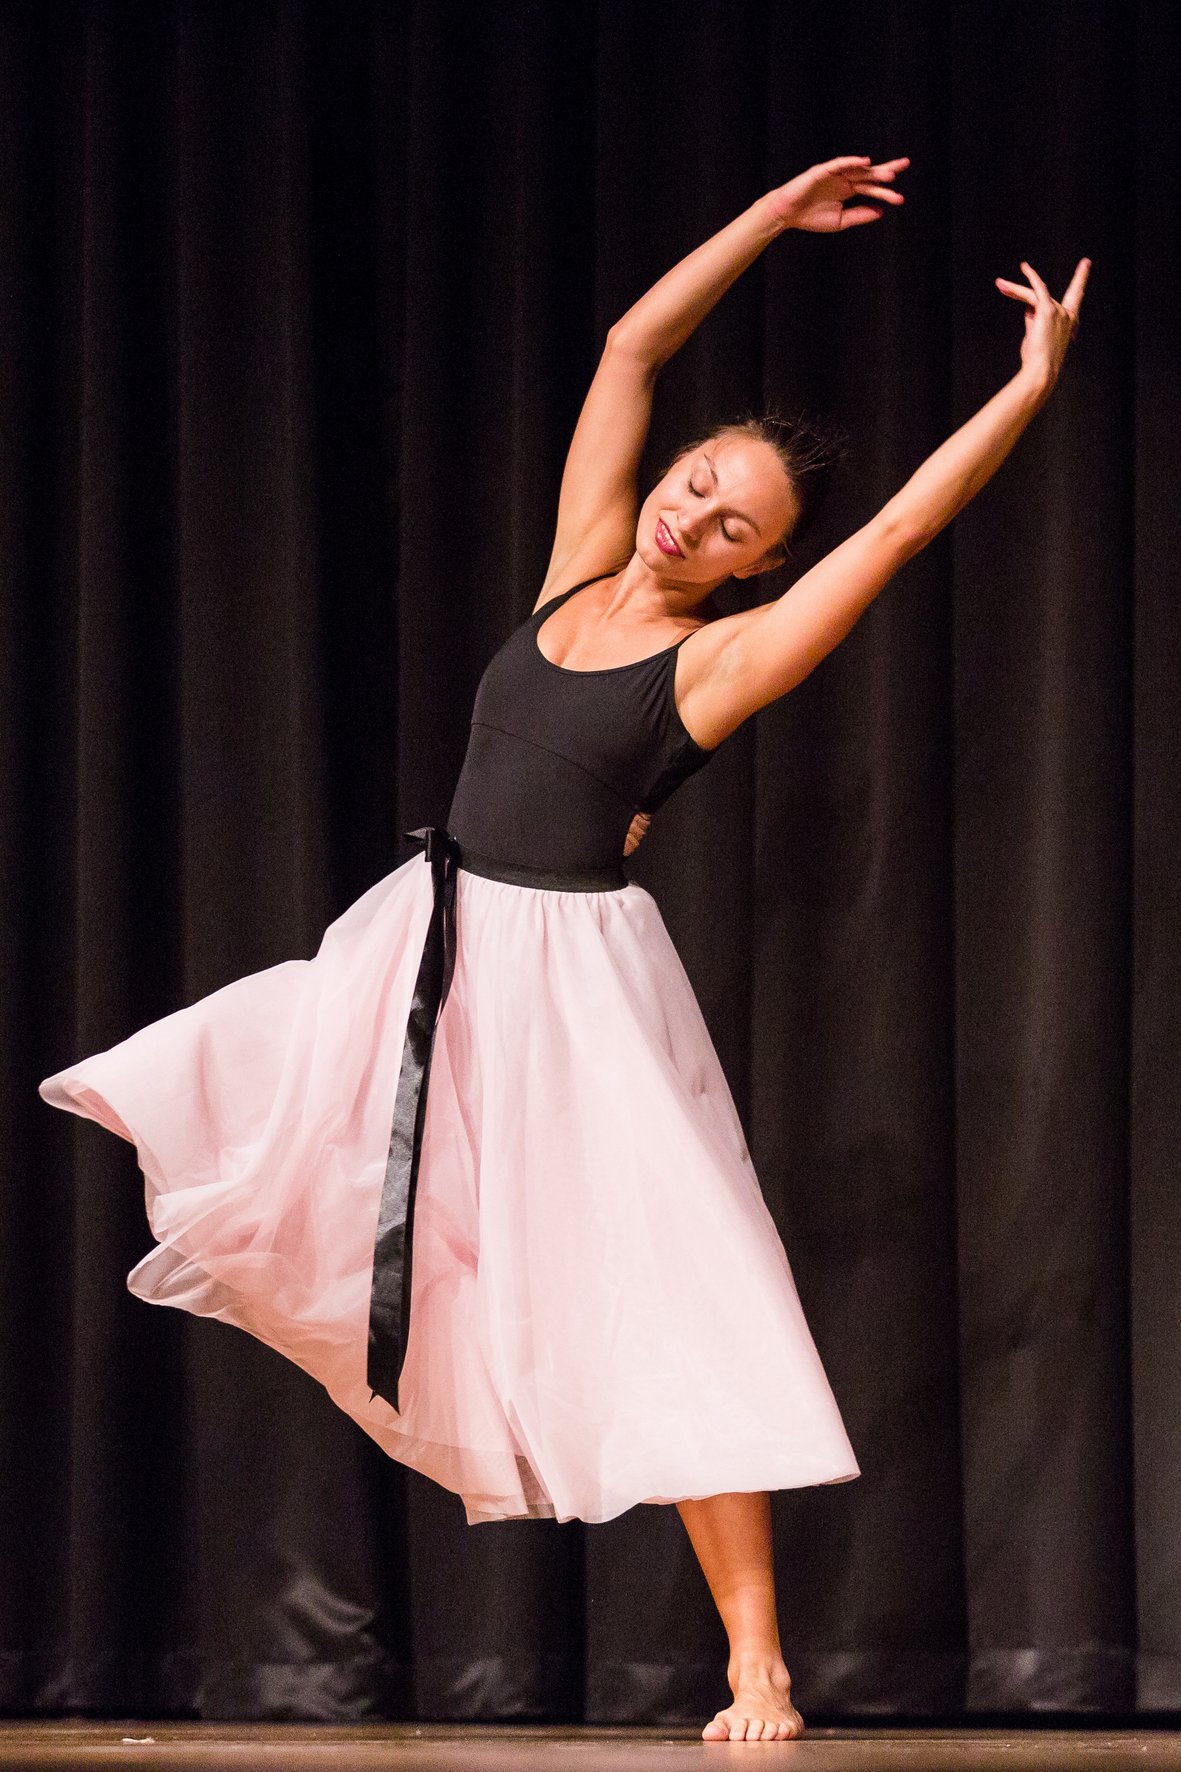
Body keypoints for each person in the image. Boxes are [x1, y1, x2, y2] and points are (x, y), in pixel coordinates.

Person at [38, 153, 1088, 1744]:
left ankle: (755, 1661)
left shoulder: (715, 663)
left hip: (573, 987)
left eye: (730, 523)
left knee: (677, 1288)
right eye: (696, 482)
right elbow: (627, 349)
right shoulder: (579, 568)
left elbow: (890, 537)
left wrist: (1024, 392)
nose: (692, 514)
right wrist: (766, 220)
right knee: (245, 1118)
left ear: (753, 565)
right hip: (433, 942)